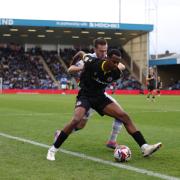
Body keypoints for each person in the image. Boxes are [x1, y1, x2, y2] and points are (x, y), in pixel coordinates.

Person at [47, 49, 162, 161]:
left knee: (124, 116)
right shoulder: (92, 62)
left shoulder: (116, 73)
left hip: (100, 97)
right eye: (114, 61)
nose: (116, 64)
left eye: (118, 62)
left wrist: (118, 66)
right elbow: (81, 54)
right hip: (85, 96)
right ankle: (53, 149)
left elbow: (119, 67)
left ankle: (145, 147)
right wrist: (74, 63)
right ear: (106, 58)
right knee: (77, 120)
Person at [56, 38, 123, 149]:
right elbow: (70, 70)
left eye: (105, 50)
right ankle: (60, 134)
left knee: (121, 115)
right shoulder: (89, 58)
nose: (104, 53)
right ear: (95, 49)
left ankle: (112, 141)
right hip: (87, 95)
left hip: (100, 95)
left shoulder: (108, 59)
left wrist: (116, 66)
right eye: (101, 51)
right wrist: (81, 67)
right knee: (81, 125)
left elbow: (122, 66)